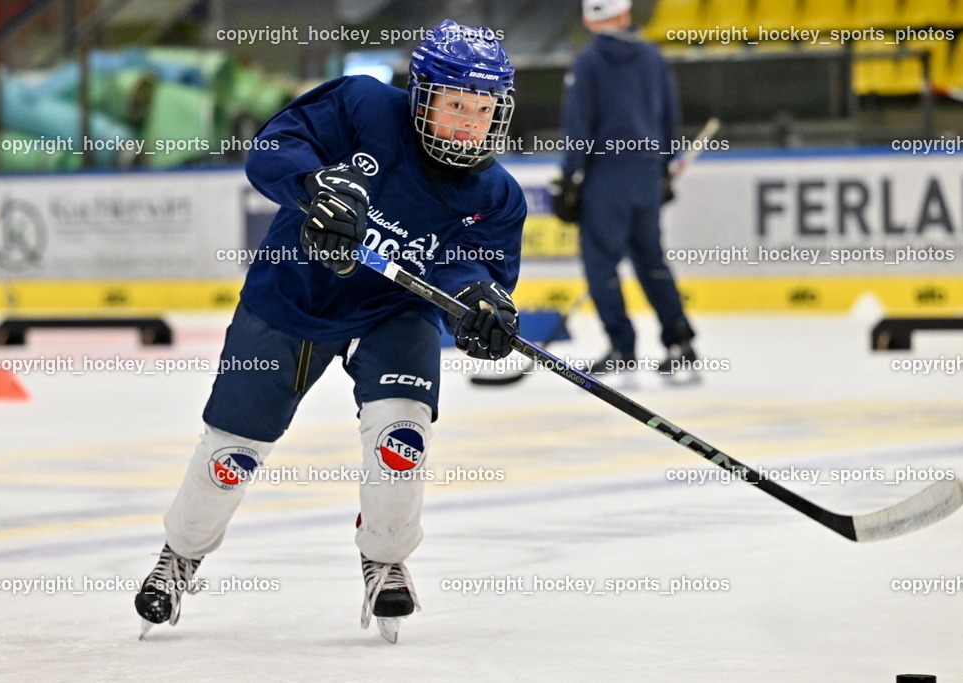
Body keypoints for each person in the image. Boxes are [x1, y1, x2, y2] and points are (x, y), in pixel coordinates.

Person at [134, 19, 525, 644]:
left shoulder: (498, 196)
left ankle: (387, 556)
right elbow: (272, 148)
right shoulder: (362, 104)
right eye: (454, 105)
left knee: (403, 435)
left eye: (481, 110)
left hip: (394, 312)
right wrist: (314, 185)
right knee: (233, 447)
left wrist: (482, 306)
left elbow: (478, 273)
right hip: (295, 296)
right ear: (421, 95)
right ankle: (180, 553)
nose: (468, 124)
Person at [555, 0, 698, 380]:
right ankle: (680, 339)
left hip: (606, 177)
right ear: (626, 13)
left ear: (589, 18)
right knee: (651, 260)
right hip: (646, 173)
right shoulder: (653, 58)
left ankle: (622, 347)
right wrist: (664, 168)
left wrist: (571, 179)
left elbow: (579, 125)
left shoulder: (588, 62)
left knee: (600, 262)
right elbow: (670, 117)